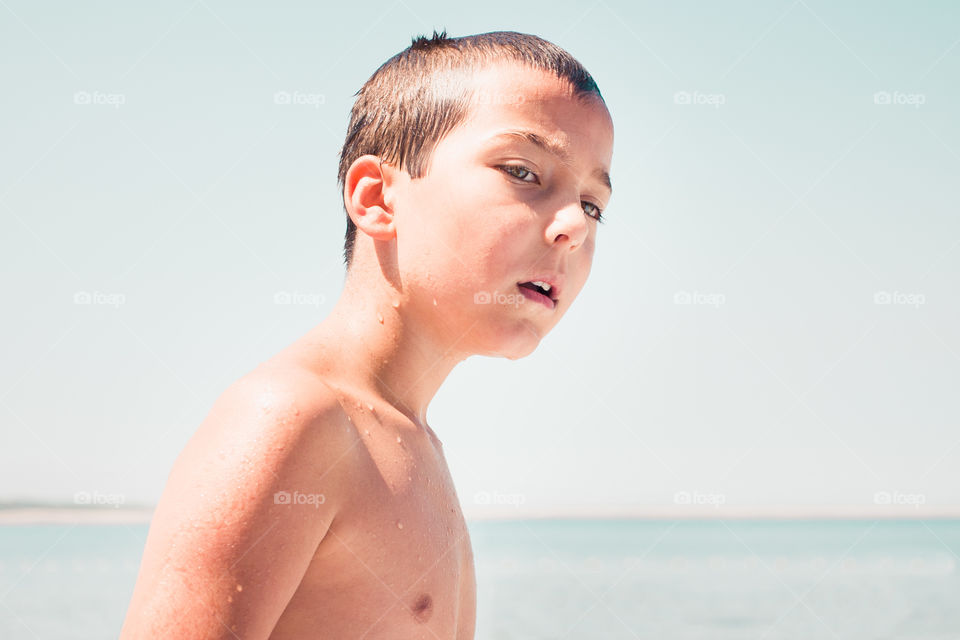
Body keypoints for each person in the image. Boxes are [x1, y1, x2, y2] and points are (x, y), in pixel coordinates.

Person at [119, 28, 614, 640]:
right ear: (378, 196)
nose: (573, 225)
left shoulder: (415, 444)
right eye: (523, 171)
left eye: (594, 204)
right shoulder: (293, 420)